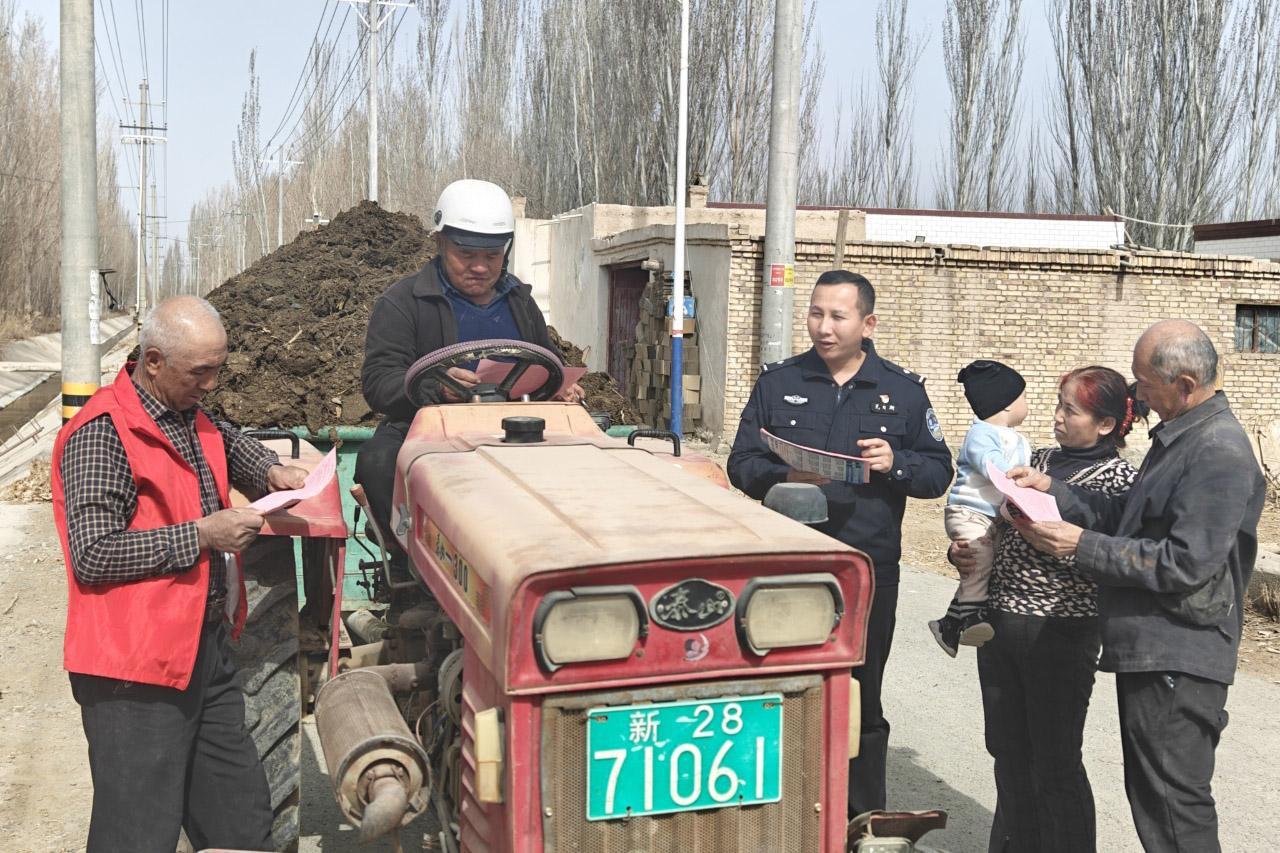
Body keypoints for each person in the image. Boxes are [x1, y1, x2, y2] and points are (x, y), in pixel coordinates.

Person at [51, 296, 311, 852]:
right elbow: (93, 554)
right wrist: (201, 535)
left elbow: (224, 439)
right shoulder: (102, 435)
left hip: (202, 654)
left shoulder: (185, 411)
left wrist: (271, 469)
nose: (211, 384)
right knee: (137, 835)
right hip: (134, 672)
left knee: (241, 825)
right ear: (153, 362)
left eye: (217, 368)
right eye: (201, 372)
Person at [1010, 320, 1265, 853]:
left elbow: (1184, 563)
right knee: (1157, 800)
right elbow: (1133, 517)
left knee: (1174, 810)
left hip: (1180, 651)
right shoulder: (1182, 436)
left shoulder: (1217, 450)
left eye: (1144, 380)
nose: (1136, 393)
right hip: (1157, 648)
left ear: (1186, 384)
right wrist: (1053, 490)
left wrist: (1080, 546)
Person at [727, 269, 954, 818]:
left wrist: (894, 462)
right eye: (816, 314)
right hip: (789, 566)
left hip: (866, 569)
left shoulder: (902, 390)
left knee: (860, 691)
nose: (823, 327)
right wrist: (780, 480)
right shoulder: (779, 382)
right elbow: (741, 461)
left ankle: (860, 817)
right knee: (780, 688)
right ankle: (778, 813)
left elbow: (937, 473)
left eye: (838, 316)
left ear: (867, 322)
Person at [952, 366, 1143, 853]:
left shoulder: (1122, 478)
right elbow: (990, 516)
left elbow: (1112, 532)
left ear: (1104, 424)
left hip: (1062, 630)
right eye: (1057, 405)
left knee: (1054, 760)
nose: (1057, 418)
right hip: (1001, 622)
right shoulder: (1035, 457)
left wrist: (1054, 501)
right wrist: (966, 551)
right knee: (1008, 752)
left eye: (1070, 411)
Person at [356, 178, 581, 552]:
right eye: (466, 255)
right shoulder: (403, 302)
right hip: (427, 428)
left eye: (491, 257)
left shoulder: (520, 302)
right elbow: (379, 382)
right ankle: (406, 563)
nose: (480, 267)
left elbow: (545, 362)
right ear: (440, 243)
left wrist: (559, 388)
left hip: (515, 427)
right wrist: (434, 387)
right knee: (378, 460)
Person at [930, 359, 1030, 656]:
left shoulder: (1019, 439)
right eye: (1024, 398)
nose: (1027, 405)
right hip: (969, 511)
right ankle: (972, 616)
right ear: (1008, 404)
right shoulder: (981, 434)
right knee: (980, 555)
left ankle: (948, 623)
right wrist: (1016, 478)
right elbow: (989, 464)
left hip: (994, 516)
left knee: (984, 566)